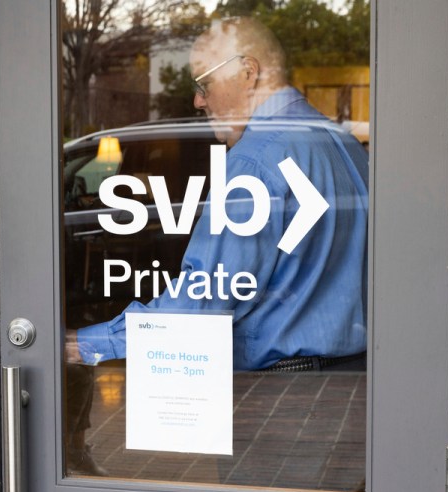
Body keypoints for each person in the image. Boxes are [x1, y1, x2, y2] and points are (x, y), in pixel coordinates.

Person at [65, 17, 369, 372]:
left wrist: (89, 344)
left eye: (204, 84)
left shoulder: (253, 161)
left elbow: (203, 301)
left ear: (247, 72)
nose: (198, 101)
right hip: (355, 379)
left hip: (284, 386)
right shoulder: (343, 143)